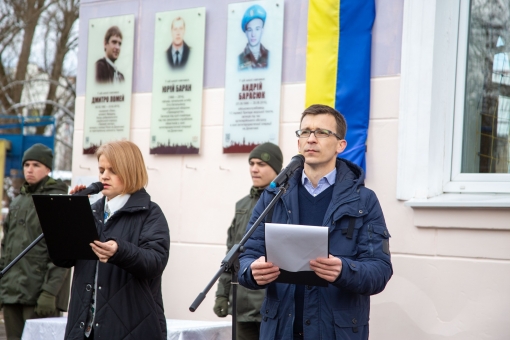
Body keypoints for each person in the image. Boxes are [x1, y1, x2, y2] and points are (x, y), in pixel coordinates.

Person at [238, 104, 393, 339]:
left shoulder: (364, 200)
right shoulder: (273, 196)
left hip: (336, 332)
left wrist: (344, 270)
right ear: (298, 142)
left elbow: (380, 270)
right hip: (280, 331)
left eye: (321, 132)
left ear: (341, 145)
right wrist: (252, 271)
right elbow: (246, 254)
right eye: (304, 132)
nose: (311, 139)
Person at [54, 140, 170, 339]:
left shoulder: (150, 213)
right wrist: (70, 213)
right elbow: (63, 259)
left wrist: (120, 251)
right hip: (83, 330)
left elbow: (155, 262)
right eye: (101, 170)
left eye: (113, 170)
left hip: (128, 329)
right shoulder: (90, 211)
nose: (104, 176)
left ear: (131, 171)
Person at [0, 143, 70, 340]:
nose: (30, 169)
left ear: (48, 168)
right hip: (12, 293)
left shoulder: (57, 200)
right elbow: (6, 248)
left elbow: (63, 252)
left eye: (36, 165)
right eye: (27, 164)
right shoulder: (17, 202)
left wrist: (50, 293)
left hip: (39, 296)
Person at [214, 143, 283, 340]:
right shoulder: (242, 205)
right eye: (251, 163)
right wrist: (222, 294)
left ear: (276, 168)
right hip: (241, 308)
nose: (254, 169)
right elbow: (231, 254)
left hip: (270, 307)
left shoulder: (283, 203)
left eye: (261, 164)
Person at [239, 4, 269, 70]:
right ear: (246, 33)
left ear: (262, 31)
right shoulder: (239, 60)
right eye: (250, 30)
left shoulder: (271, 57)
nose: (253, 34)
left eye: (257, 29)